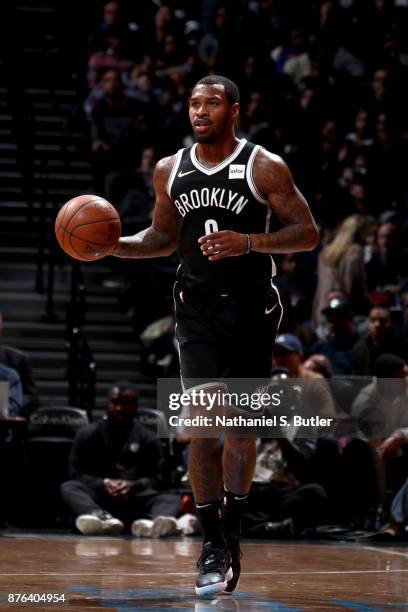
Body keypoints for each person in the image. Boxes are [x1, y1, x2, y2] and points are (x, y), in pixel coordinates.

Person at [110, 75, 319, 595]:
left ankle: (233, 527)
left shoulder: (263, 165)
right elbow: (160, 238)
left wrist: (248, 241)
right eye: (193, 104)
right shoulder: (169, 170)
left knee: (240, 432)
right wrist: (110, 246)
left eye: (211, 103)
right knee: (203, 428)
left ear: (234, 111)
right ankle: (211, 543)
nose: (199, 111)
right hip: (195, 309)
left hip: (252, 309)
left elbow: (308, 233)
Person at [60, 382, 180, 537]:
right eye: (115, 403)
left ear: (136, 406)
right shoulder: (87, 434)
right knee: (69, 487)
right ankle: (99, 518)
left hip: (134, 498)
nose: (119, 409)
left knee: (171, 497)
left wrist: (133, 485)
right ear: (107, 403)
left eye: (126, 404)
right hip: (100, 497)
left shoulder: (148, 438)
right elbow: (76, 473)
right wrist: (104, 483)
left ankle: (154, 524)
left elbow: (156, 478)